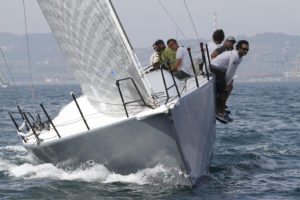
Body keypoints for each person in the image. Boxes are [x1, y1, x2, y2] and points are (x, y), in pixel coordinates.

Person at [210, 40, 249, 123]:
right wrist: (226, 84)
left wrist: (229, 83)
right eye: (243, 49)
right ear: (238, 48)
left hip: (221, 70)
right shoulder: (235, 56)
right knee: (223, 91)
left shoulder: (240, 57)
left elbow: (232, 71)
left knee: (229, 87)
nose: (245, 51)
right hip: (215, 68)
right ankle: (219, 113)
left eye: (247, 50)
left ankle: (222, 109)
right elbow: (230, 71)